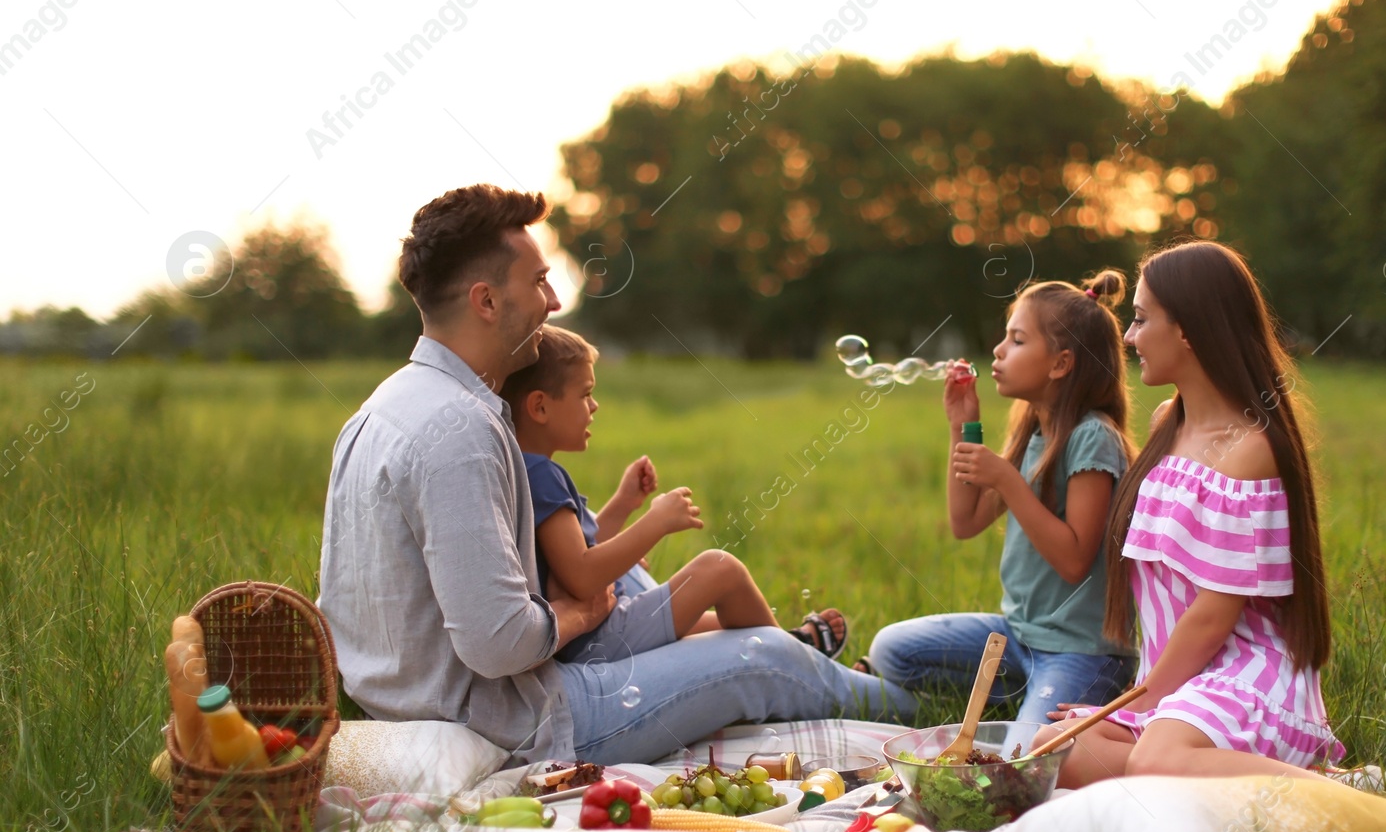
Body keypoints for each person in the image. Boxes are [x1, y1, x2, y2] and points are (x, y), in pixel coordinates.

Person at [317, 183, 915, 767]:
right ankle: (910, 705)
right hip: (516, 720)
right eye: (539, 281)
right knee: (763, 657)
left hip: (408, 696)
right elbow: (498, 643)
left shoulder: (378, 409)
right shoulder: (461, 430)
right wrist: (583, 614)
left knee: (628, 572)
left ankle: (838, 675)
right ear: (487, 301)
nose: (552, 302)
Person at [1038, 240, 1346, 787]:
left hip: (1246, 676)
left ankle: (1344, 792)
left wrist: (1143, 702)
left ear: (1188, 330)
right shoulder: (1167, 423)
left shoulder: (1252, 447)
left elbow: (1213, 615)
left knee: (1153, 761)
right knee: (1051, 750)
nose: (1129, 337)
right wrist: (1143, 706)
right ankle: (1192, 775)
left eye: (1139, 319)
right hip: (1181, 683)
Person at [864, 272, 1140, 725]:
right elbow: (965, 521)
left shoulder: (1093, 437)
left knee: (1027, 759)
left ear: (1060, 364)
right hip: (1014, 638)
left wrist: (1009, 481)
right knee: (891, 650)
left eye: (1016, 340)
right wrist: (962, 425)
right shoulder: (1031, 432)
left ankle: (1036, 708)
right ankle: (1018, 697)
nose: (998, 350)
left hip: (1081, 652)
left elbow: (1074, 560)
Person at [499, 323, 856, 665]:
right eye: (586, 394)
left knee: (726, 626)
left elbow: (575, 555)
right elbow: (582, 576)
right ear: (540, 407)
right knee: (720, 569)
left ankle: (798, 648)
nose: (595, 407)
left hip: (594, 631)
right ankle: (798, 666)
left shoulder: (525, 469)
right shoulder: (541, 474)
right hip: (597, 637)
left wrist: (624, 504)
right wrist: (656, 522)